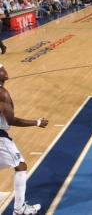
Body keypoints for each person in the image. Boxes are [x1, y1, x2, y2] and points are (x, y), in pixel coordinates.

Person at [0, 64, 48, 214]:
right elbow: (11, 120)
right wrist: (37, 122)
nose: (5, 71)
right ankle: (20, 210)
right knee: (21, 166)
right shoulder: (2, 94)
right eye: (2, 69)